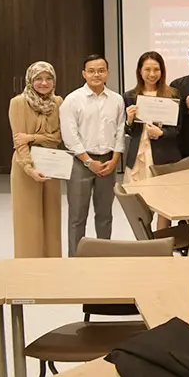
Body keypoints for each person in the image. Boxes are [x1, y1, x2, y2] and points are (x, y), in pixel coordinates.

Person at [59, 54, 126, 256]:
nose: (96, 75)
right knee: (77, 216)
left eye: (101, 70)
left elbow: (120, 131)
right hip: (81, 162)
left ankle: (103, 256)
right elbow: (70, 135)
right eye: (91, 71)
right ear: (84, 74)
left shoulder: (116, 99)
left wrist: (115, 160)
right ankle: (76, 258)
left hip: (108, 162)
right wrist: (88, 161)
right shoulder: (72, 100)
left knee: (105, 215)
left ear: (107, 73)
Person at [9, 61, 64, 258]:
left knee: (52, 217)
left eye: (49, 78)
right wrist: (29, 168)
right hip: (25, 165)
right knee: (28, 219)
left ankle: (52, 264)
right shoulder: (18, 102)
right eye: (38, 79)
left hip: (51, 163)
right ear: (30, 81)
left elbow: (58, 137)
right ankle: (28, 264)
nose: (44, 83)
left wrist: (32, 137)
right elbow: (19, 141)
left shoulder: (58, 102)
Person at [123, 52, 182, 199]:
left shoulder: (173, 94)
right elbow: (129, 131)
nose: (152, 74)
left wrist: (162, 133)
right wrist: (129, 120)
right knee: (138, 201)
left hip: (164, 154)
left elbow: (178, 129)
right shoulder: (129, 96)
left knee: (164, 199)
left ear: (162, 71)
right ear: (140, 71)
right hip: (138, 155)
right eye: (147, 69)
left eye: (156, 69)